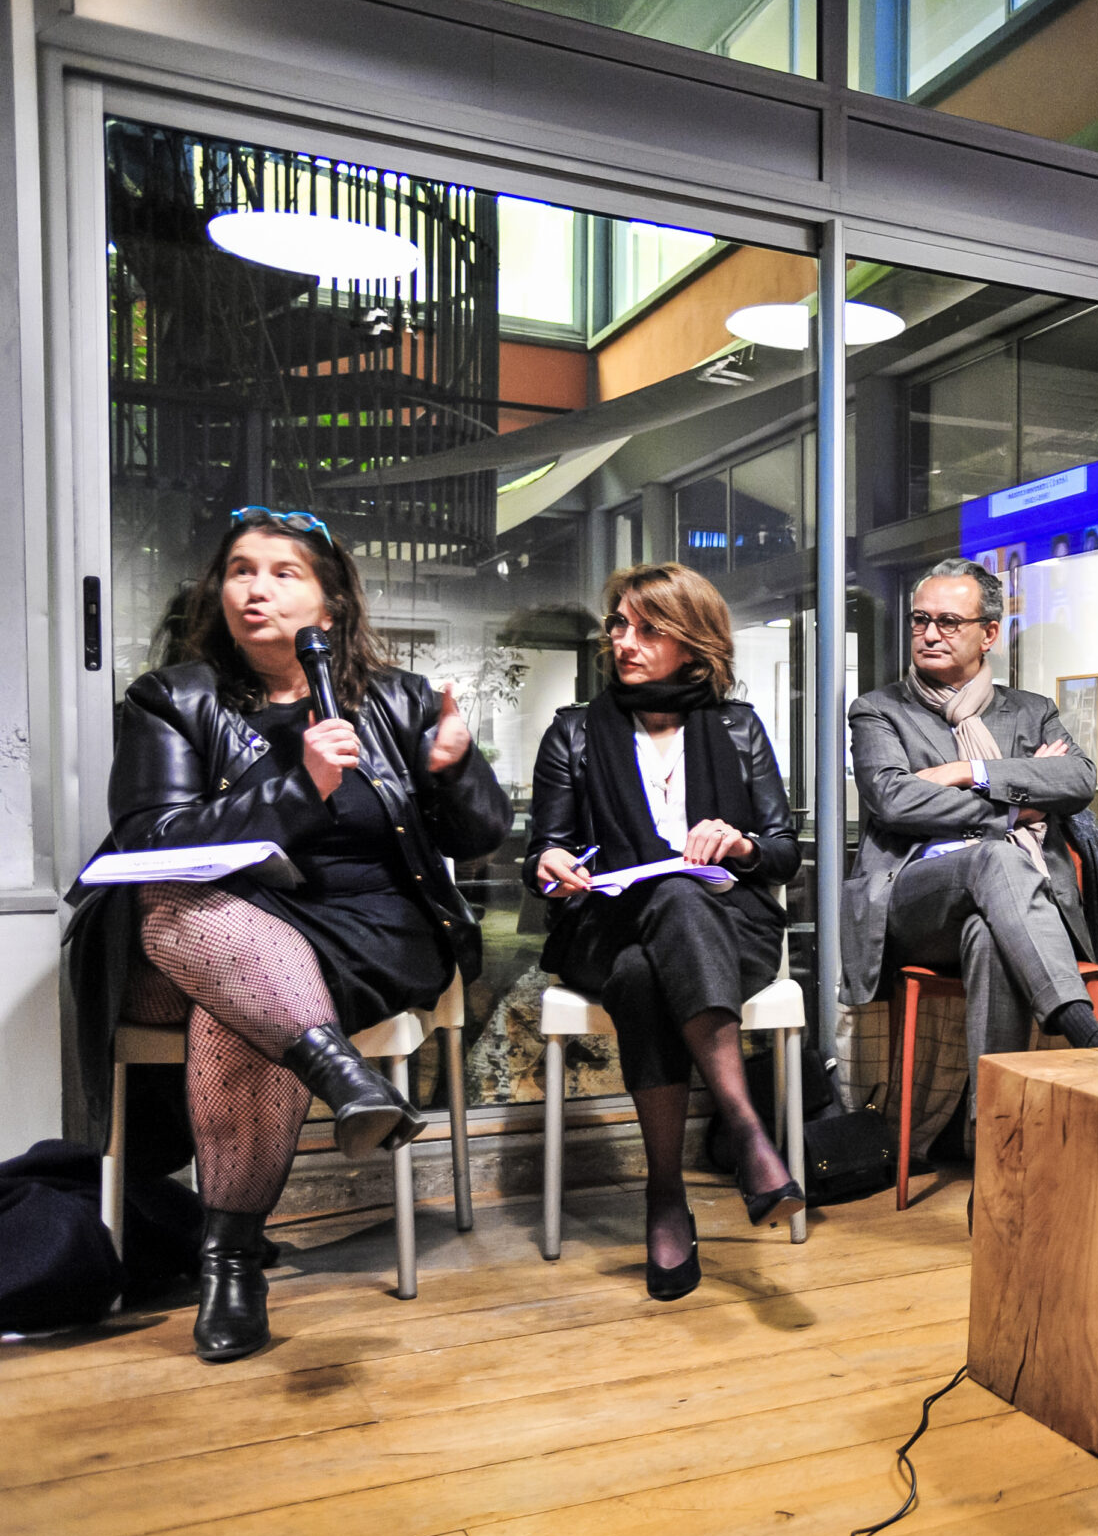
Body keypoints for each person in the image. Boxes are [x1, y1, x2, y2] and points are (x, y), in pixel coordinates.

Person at [61, 508, 508, 1362]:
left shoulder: (401, 699)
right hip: (210, 923)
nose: (255, 587)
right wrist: (299, 785)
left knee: (229, 1007)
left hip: (372, 930)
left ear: (331, 605)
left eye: (283, 572)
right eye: (238, 569)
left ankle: (229, 1258)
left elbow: (474, 838)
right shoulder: (173, 700)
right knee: (190, 914)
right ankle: (339, 1079)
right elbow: (153, 838)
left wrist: (457, 767)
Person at [525, 563, 805, 1301]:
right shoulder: (575, 732)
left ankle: (664, 1194)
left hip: (727, 929)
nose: (626, 640)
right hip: (606, 922)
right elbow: (541, 854)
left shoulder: (739, 728)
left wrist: (740, 843)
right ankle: (745, 1129)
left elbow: (784, 851)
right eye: (619, 624)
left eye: (648, 628)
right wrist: (552, 862)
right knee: (667, 901)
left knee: (663, 936)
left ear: (692, 642)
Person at [843, 560, 1098, 1135]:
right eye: (921, 620)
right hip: (913, 900)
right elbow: (893, 801)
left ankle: (994, 1144)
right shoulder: (878, 710)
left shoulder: (1030, 711)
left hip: (1014, 907)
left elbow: (1078, 782)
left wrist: (965, 770)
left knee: (988, 934)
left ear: (987, 634)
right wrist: (1017, 802)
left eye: (949, 622)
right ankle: (1082, 1026)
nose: (930, 634)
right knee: (993, 853)